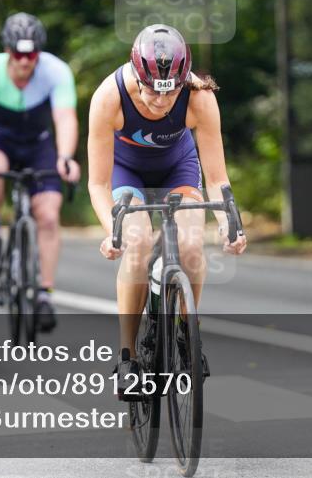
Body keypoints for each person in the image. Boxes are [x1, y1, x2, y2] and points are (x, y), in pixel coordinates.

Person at [86, 24, 247, 398]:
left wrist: (229, 222)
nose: (161, 101)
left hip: (178, 168)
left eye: (171, 92)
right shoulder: (109, 97)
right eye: (153, 92)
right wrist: (112, 231)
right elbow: (98, 184)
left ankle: (188, 334)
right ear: (137, 76)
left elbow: (217, 177)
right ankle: (127, 357)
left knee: (191, 246)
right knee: (138, 243)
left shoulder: (199, 96)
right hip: (127, 173)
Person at [0, 12, 80, 332]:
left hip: (38, 144)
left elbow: (65, 118)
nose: (25, 61)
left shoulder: (56, 71)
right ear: (7, 50)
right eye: (19, 54)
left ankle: (44, 294)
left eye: (32, 55)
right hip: (0, 142)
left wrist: (65, 157)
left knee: (48, 215)